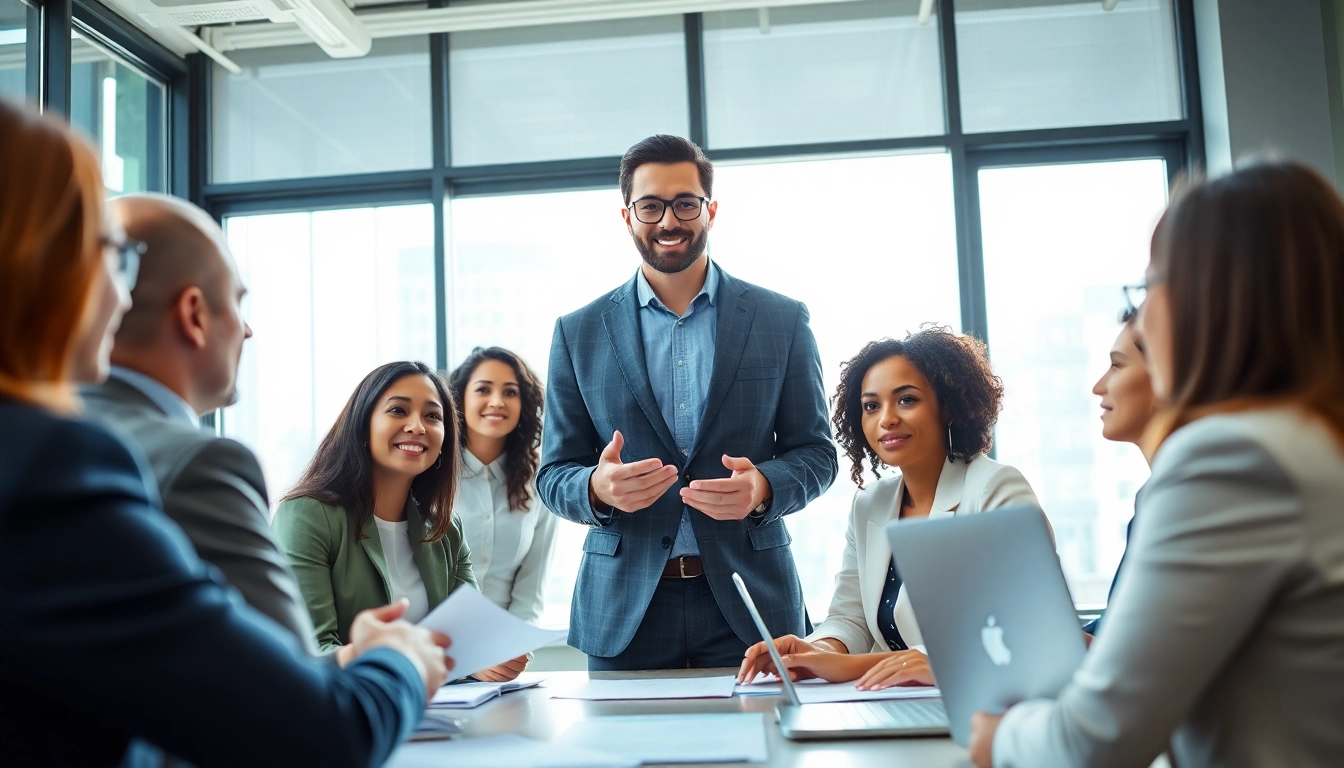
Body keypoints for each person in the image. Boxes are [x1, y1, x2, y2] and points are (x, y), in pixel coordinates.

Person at [0, 97, 447, 767]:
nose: (120, 293)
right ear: (43, 259)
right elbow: (310, 737)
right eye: (110, 254)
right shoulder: (55, 467)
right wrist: (398, 663)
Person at [969, 161, 1344, 768]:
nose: (1141, 317)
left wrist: (996, 739)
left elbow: (1095, 741)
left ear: (1212, 299)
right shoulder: (1312, 443)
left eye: (1149, 289)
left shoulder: (1234, 459)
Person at [537, 134, 838, 670]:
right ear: (627, 216)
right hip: (625, 609)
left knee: (764, 751)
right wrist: (596, 488)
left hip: (750, 604)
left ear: (711, 210)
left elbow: (817, 453)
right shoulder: (577, 332)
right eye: (650, 206)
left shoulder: (781, 320)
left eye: (685, 203)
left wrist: (764, 487)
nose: (668, 221)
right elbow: (553, 473)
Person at [79, 193, 321, 654]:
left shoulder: (45, 438)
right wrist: (400, 658)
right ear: (194, 315)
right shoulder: (199, 465)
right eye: (236, 300)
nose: (247, 330)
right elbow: (300, 713)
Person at [739, 327, 1042, 689]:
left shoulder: (995, 489)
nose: (886, 419)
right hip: (892, 703)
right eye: (871, 406)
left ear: (947, 406)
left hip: (980, 704)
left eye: (907, 400)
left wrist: (845, 667)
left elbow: (1022, 630)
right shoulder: (871, 504)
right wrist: (812, 651)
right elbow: (849, 618)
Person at [274, 360, 527, 682]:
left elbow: (469, 640)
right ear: (362, 426)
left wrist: (487, 660)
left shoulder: (446, 529)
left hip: (438, 716)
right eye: (398, 411)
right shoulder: (305, 516)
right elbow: (310, 652)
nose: (418, 427)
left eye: (433, 416)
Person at [448, 346, 557, 624]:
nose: (497, 401)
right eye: (483, 390)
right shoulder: (429, 475)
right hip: (435, 651)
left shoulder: (542, 481)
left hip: (504, 653)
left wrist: (513, 650)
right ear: (459, 399)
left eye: (510, 392)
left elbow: (530, 592)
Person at [1081, 306, 1157, 638]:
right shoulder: (1153, 496)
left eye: (1117, 365)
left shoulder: (1193, 496)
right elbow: (1119, 628)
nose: (1099, 386)